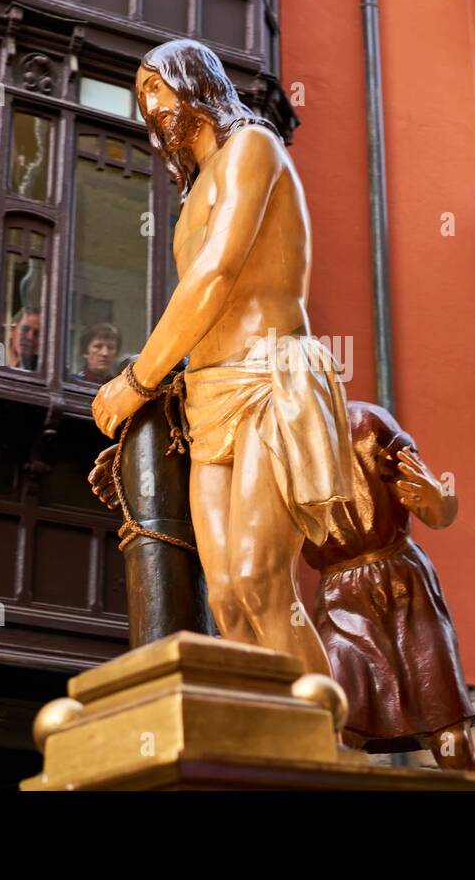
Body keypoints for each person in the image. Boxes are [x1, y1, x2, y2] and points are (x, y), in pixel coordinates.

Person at [90, 39, 353, 678]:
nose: (148, 107)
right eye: (140, 97)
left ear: (194, 80)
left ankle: (325, 753)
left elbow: (216, 276)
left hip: (268, 381)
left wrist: (138, 379)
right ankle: (262, 750)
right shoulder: (196, 191)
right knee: (227, 598)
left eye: (154, 87)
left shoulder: (253, 148)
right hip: (207, 399)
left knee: (261, 581)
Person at [302, 401, 475, 772]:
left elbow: (436, 512)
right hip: (338, 598)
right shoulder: (269, 447)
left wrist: (440, 499)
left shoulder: (366, 423)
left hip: (403, 585)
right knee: (335, 722)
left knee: (450, 736)